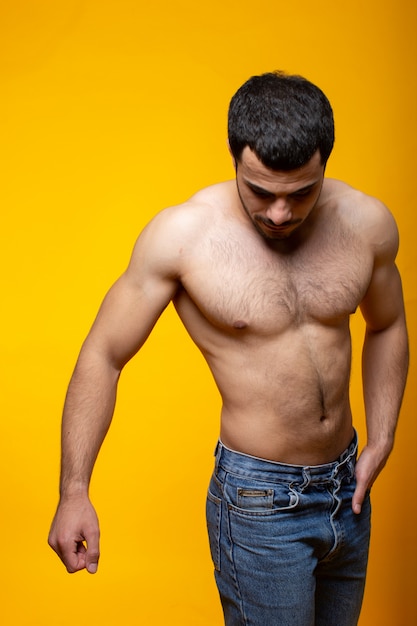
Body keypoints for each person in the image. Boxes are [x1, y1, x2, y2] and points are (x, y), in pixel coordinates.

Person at [48, 71, 409, 626]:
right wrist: (74, 490)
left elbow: (386, 325)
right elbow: (102, 355)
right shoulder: (183, 238)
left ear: (324, 165)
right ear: (234, 158)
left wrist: (382, 437)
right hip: (260, 505)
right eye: (261, 192)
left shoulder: (366, 224)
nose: (280, 214)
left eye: (301, 193)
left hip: (347, 490)